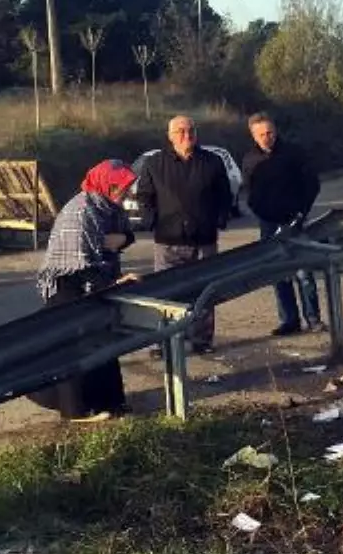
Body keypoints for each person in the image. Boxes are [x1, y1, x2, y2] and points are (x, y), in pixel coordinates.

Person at [31, 159, 140, 422]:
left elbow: (128, 232)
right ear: (107, 184)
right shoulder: (81, 211)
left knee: (104, 339)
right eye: (121, 188)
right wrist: (114, 285)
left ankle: (112, 403)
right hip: (67, 284)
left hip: (94, 280)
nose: (126, 193)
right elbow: (81, 265)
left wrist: (122, 239)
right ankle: (75, 411)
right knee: (74, 347)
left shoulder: (109, 207)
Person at [135, 115, 234, 354]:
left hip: (204, 239)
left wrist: (220, 219)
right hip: (168, 241)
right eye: (180, 131)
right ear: (170, 136)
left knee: (205, 293)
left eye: (190, 130)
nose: (186, 135)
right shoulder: (155, 163)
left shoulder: (212, 162)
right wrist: (151, 221)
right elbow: (145, 196)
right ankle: (164, 341)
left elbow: (225, 195)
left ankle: (201, 340)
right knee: (166, 295)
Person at [241, 112, 325, 336]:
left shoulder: (294, 154)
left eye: (270, 133)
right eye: (261, 135)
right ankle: (289, 320)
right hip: (268, 224)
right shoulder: (250, 160)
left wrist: (301, 212)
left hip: (295, 220)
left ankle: (313, 318)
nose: (267, 138)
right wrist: (261, 213)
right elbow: (249, 194)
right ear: (253, 135)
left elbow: (312, 184)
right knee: (278, 274)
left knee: (304, 273)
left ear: (276, 131)